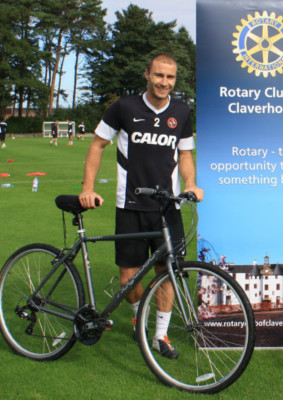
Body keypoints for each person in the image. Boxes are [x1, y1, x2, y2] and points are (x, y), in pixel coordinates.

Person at [78, 53, 203, 359]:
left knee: (168, 272)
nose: (164, 82)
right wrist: (87, 188)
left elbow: (185, 154)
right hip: (130, 205)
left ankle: (160, 335)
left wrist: (189, 184)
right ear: (147, 74)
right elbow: (97, 145)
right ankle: (138, 317)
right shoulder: (124, 108)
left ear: (176, 80)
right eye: (159, 75)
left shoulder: (181, 111)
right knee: (128, 280)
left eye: (170, 77)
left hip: (167, 206)